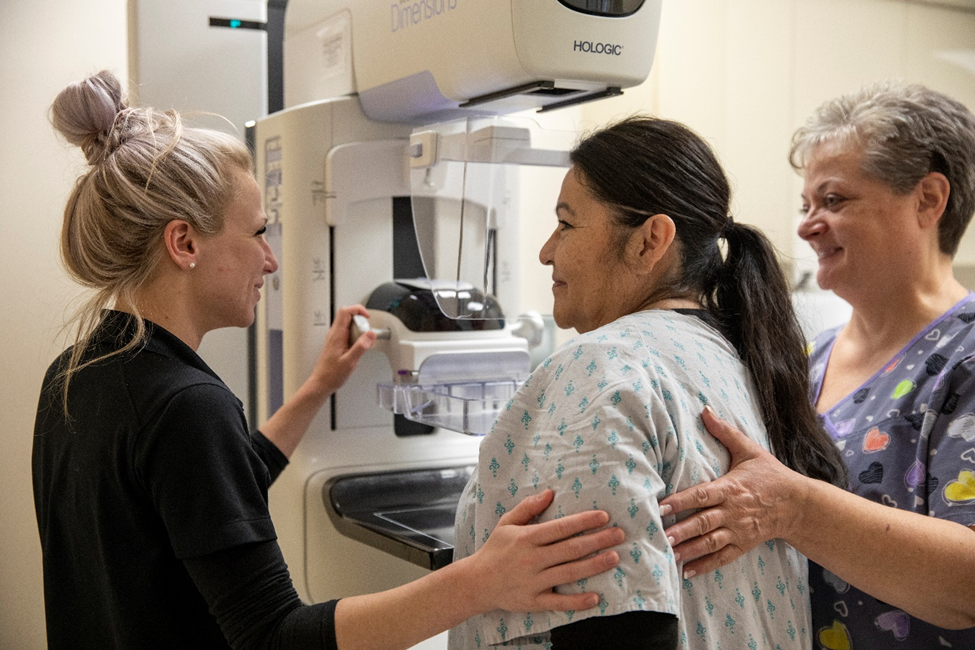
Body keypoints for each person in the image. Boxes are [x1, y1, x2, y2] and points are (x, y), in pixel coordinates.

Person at [31, 70, 627, 650]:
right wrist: (479, 580)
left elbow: (211, 494)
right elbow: (273, 636)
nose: (270, 260)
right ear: (184, 243)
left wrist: (320, 385)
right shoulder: (185, 405)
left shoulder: (77, 373)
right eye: (259, 233)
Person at [447, 116, 848, 650]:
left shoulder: (602, 367)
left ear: (649, 241)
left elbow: (617, 626)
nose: (547, 251)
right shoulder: (736, 356)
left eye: (567, 225)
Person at [660, 82, 975, 649]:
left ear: (928, 199)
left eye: (834, 201)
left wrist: (794, 509)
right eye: (806, 205)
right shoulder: (810, 359)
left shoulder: (964, 357)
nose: (807, 225)